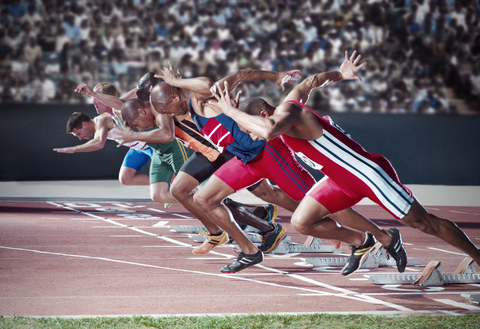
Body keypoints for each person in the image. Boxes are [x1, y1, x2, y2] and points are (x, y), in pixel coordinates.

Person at [210, 50, 480, 269]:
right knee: (302, 222)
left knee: (424, 223)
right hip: (338, 180)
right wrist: (340, 73)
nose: (253, 135)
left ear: (266, 112)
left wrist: (230, 112)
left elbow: (268, 130)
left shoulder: (288, 114)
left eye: (250, 127)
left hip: (367, 173)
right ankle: (378, 240)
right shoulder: (288, 103)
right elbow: (308, 83)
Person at [146, 63, 402, 274]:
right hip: (245, 159)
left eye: (169, 109)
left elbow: (225, 78)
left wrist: (275, 75)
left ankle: (382, 237)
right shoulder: (187, 110)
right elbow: (236, 78)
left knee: (327, 207)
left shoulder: (202, 101)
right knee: (204, 198)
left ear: (177, 96)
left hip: (270, 153)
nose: (171, 115)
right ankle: (249, 252)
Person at [114, 72, 293, 255]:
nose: (139, 128)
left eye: (144, 93)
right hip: (206, 152)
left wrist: (133, 135)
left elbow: (168, 134)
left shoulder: (162, 107)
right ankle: (217, 232)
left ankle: (310, 213)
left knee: (263, 193)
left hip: (226, 149)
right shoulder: (161, 106)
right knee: (182, 190)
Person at [53, 110, 184, 206]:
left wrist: (74, 149)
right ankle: (163, 185)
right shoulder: (98, 125)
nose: (80, 138)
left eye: (78, 134)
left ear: (84, 124)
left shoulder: (102, 119)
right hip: (137, 148)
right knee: (125, 178)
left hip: (149, 145)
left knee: (174, 178)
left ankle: (179, 190)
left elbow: (99, 142)